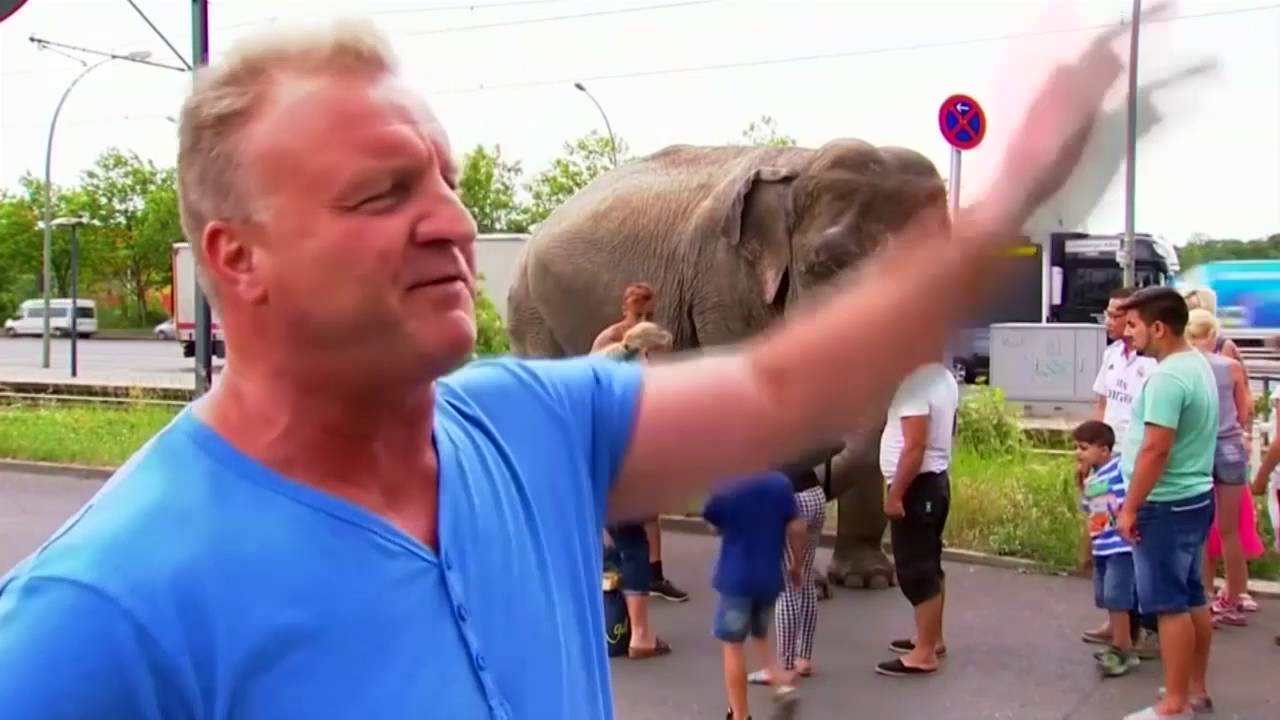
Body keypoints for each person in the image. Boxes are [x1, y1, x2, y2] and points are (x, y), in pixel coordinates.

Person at [0, 15, 1164, 718]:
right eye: (383, 193)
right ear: (234, 259)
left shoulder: (529, 427)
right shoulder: (97, 618)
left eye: (447, 180)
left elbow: (780, 389)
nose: (453, 224)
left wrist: (998, 204)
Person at [1115, 287, 1219, 720]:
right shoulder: (1197, 363)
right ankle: (1194, 689)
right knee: (1193, 595)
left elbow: (1156, 448)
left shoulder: (1167, 378)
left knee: (1169, 604)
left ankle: (1173, 705)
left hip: (1165, 504)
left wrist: (1130, 507)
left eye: (1133, 325)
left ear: (1158, 328)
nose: (1126, 334)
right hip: (1194, 498)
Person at [593, 283, 692, 603]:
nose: (645, 320)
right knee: (620, 512)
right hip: (615, 435)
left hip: (643, 432)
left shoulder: (648, 341)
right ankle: (617, 570)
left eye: (650, 314)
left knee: (651, 510)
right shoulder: (610, 341)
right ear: (625, 310)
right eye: (639, 314)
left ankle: (653, 574)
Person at [596, 318, 675, 658]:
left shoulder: (606, 372)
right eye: (663, 355)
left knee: (616, 551)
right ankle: (640, 635)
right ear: (647, 352)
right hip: (626, 474)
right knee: (634, 547)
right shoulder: (636, 383)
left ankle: (618, 629)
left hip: (601, 473)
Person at [1083, 285, 1157, 643]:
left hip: (1135, 464)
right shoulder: (1112, 354)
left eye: (1117, 315)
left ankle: (1137, 627)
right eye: (1108, 314)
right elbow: (1102, 404)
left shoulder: (1152, 360)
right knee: (1102, 535)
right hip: (1105, 463)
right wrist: (1088, 455)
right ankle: (1115, 622)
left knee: (1129, 544)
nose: (1110, 321)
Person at [876, 362, 959, 677]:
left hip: (916, 485)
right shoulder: (942, 376)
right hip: (935, 481)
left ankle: (923, 653)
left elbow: (914, 447)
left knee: (915, 569)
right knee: (929, 562)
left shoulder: (913, 384)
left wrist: (896, 494)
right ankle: (931, 638)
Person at [703, 471, 807, 720]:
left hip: (735, 579)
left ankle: (739, 714)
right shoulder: (780, 483)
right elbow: (797, 526)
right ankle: (781, 683)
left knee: (733, 647)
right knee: (759, 634)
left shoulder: (727, 484)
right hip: (769, 578)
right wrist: (796, 565)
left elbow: (713, 523)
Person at [1184, 309, 1257, 628]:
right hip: (1229, 447)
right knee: (1230, 531)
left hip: (1197, 448)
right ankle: (1233, 599)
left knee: (1198, 529)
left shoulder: (1184, 367)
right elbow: (1246, 410)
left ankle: (1201, 597)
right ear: (1213, 336)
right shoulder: (1232, 367)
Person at [749, 444, 844, 685]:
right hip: (814, 493)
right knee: (806, 578)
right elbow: (835, 444)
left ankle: (784, 665)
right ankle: (804, 657)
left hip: (788, 498)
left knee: (788, 583)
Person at [1073, 420, 1141, 677]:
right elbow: (1094, 514)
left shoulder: (1119, 468)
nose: (1079, 453)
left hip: (1120, 547)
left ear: (1104, 450)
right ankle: (1119, 638)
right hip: (1103, 545)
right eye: (1077, 448)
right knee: (1106, 595)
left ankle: (1122, 648)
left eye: (1084, 447)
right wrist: (1089, 546)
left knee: (1117, 596)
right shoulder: (1093, 479)